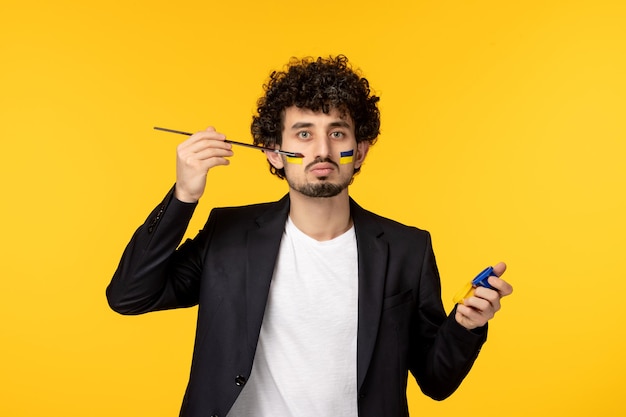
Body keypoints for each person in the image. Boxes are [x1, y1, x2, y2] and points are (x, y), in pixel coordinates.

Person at [107, 55, 513, 417]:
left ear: (362, 149)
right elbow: (129, 296)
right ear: (272, 152)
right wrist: (184, 196)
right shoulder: (228, 235)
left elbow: (436, 382)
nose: (322, 150)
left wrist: (465, 325)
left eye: (337, 133)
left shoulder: (407, 248)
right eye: (304, 134)